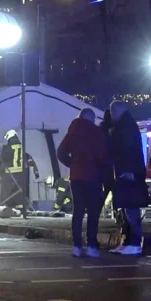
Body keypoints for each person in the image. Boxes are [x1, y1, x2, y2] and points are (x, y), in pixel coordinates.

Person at [57, 108, 111, 258]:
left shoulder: (72, 132)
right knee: (93, 213)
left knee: (78, 211)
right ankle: (92, 246)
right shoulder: (96, 133)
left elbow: (60, 152)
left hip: (76, 177)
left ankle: (77, 246)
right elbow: (103, 156)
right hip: (93, 176)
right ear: (92, 118)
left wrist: (72, 164)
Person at [107, 101, 149, 256]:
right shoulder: (127, 126)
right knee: (128, 209)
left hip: (127, 173)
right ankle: (128, 241)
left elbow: (126, 150)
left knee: (130, 210)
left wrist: (129, 170)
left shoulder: (124, 128)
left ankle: (134, 242)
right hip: (127, 172)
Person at [0, 130, 39, 213]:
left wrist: (0, 173)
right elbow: (29, 159)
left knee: (6, 194)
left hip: (9, 175)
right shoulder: (22, 147)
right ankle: (21, 209)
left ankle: (5, 209)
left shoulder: (6, 148)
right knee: (19, 193)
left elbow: (2, 161)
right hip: (21, 175)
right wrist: (36, 172)